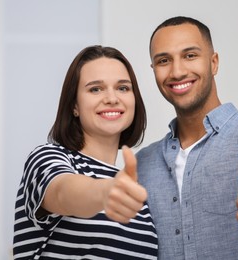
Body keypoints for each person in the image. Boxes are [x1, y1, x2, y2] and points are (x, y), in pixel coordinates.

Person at [136, 16, 238, 259]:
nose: (177, 71)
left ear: (214, 62)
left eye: (190, 55)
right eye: (164, 60)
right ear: (153, 70)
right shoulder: (143, 163)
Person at [13, 45, 158, 259]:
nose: (112, 98)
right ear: (75, 106)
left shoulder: (134, 193)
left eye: (123, 88)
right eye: (95, 89)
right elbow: (62, 192)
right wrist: (104, 192)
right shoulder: (47, 157)